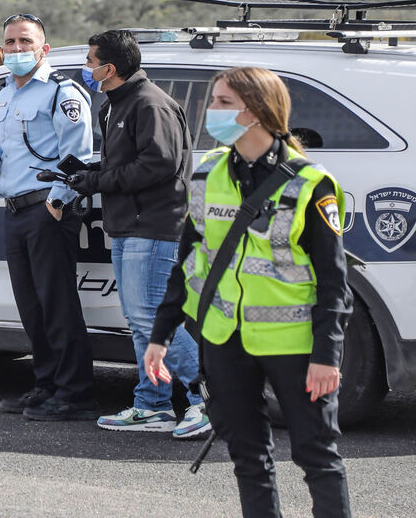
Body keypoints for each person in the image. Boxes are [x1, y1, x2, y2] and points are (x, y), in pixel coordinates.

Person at [144, 67, 352, 517]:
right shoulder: (207, 173)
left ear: (255, 112)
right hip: (224, 339)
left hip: (293, 346)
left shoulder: (312, 183)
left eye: (221, 103)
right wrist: (160, 336)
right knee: (247, 458)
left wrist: (326, 356)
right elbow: (188, 262)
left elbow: (334, 281)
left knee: (317, 456)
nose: (210, 111)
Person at [64, 29, 209, 438]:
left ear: (109, 68)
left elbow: (159, 165)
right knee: (140, 320)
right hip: (129, 224)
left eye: (91, 61)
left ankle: (211, 399)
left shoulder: (149, 103)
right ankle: (153, 405)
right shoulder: (117, 105)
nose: (87, 68)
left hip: (154, 225)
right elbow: (130, 163)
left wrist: (97, 182)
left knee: (150, 316)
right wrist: (89, 174)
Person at [0, 13, 95, 420]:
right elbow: (19, 149)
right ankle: (45, 384)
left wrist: (57, 202)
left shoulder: (63, 92)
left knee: (57, 303)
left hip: (48, 208)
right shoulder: (5, 93)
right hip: (14, 208)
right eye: (10, 43)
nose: (17, 49)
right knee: (31, 305)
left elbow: (78, 154)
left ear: (44, 49)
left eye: (26, 42)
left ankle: (74, 392)